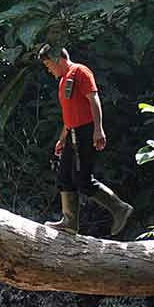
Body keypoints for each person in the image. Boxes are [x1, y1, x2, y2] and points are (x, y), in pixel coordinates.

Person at [38, 44, 133, 236]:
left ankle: (120, 208)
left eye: (48, 65)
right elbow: (69, 114)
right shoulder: (63, 80)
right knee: (64, 177)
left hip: (86, 131)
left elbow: (94, 100)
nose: (48, 70)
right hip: (72, 132)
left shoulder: (80, 71)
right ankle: (69, 222)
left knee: (83, 180)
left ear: (57, 59)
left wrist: (98, 129)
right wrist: (62, 139)